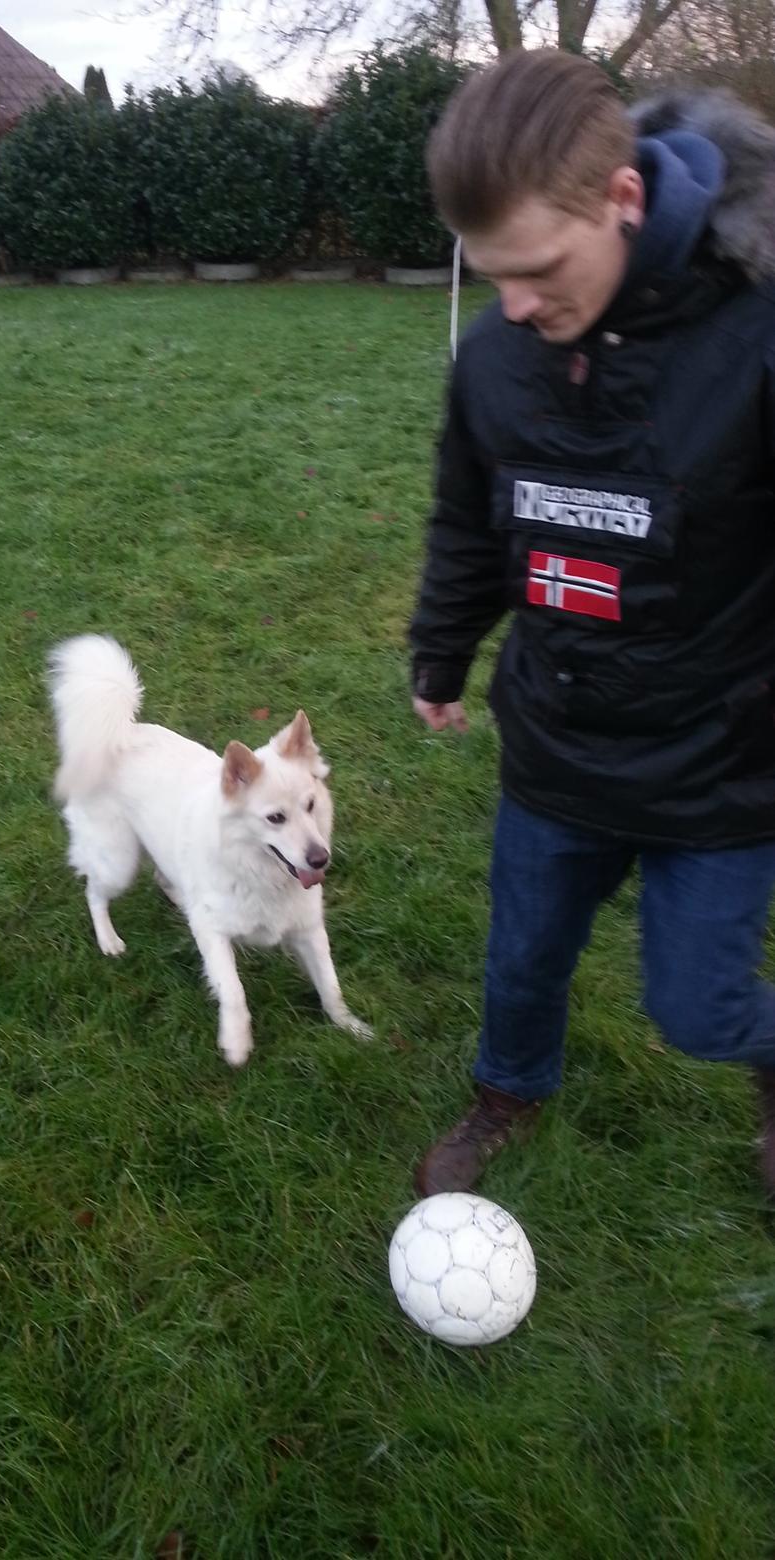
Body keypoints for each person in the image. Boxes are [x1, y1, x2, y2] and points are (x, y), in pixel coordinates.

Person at [408, 49, 775, 1200]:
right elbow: (469, 523)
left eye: (539, 271)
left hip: (723, 768)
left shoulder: (755, 336)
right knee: (521, 959)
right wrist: (441, 648)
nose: (515, 308)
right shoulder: (495, 361)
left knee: (701, 1007)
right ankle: (507, 1091)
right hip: (558, 746)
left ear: (623, 201)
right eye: (492, 277)